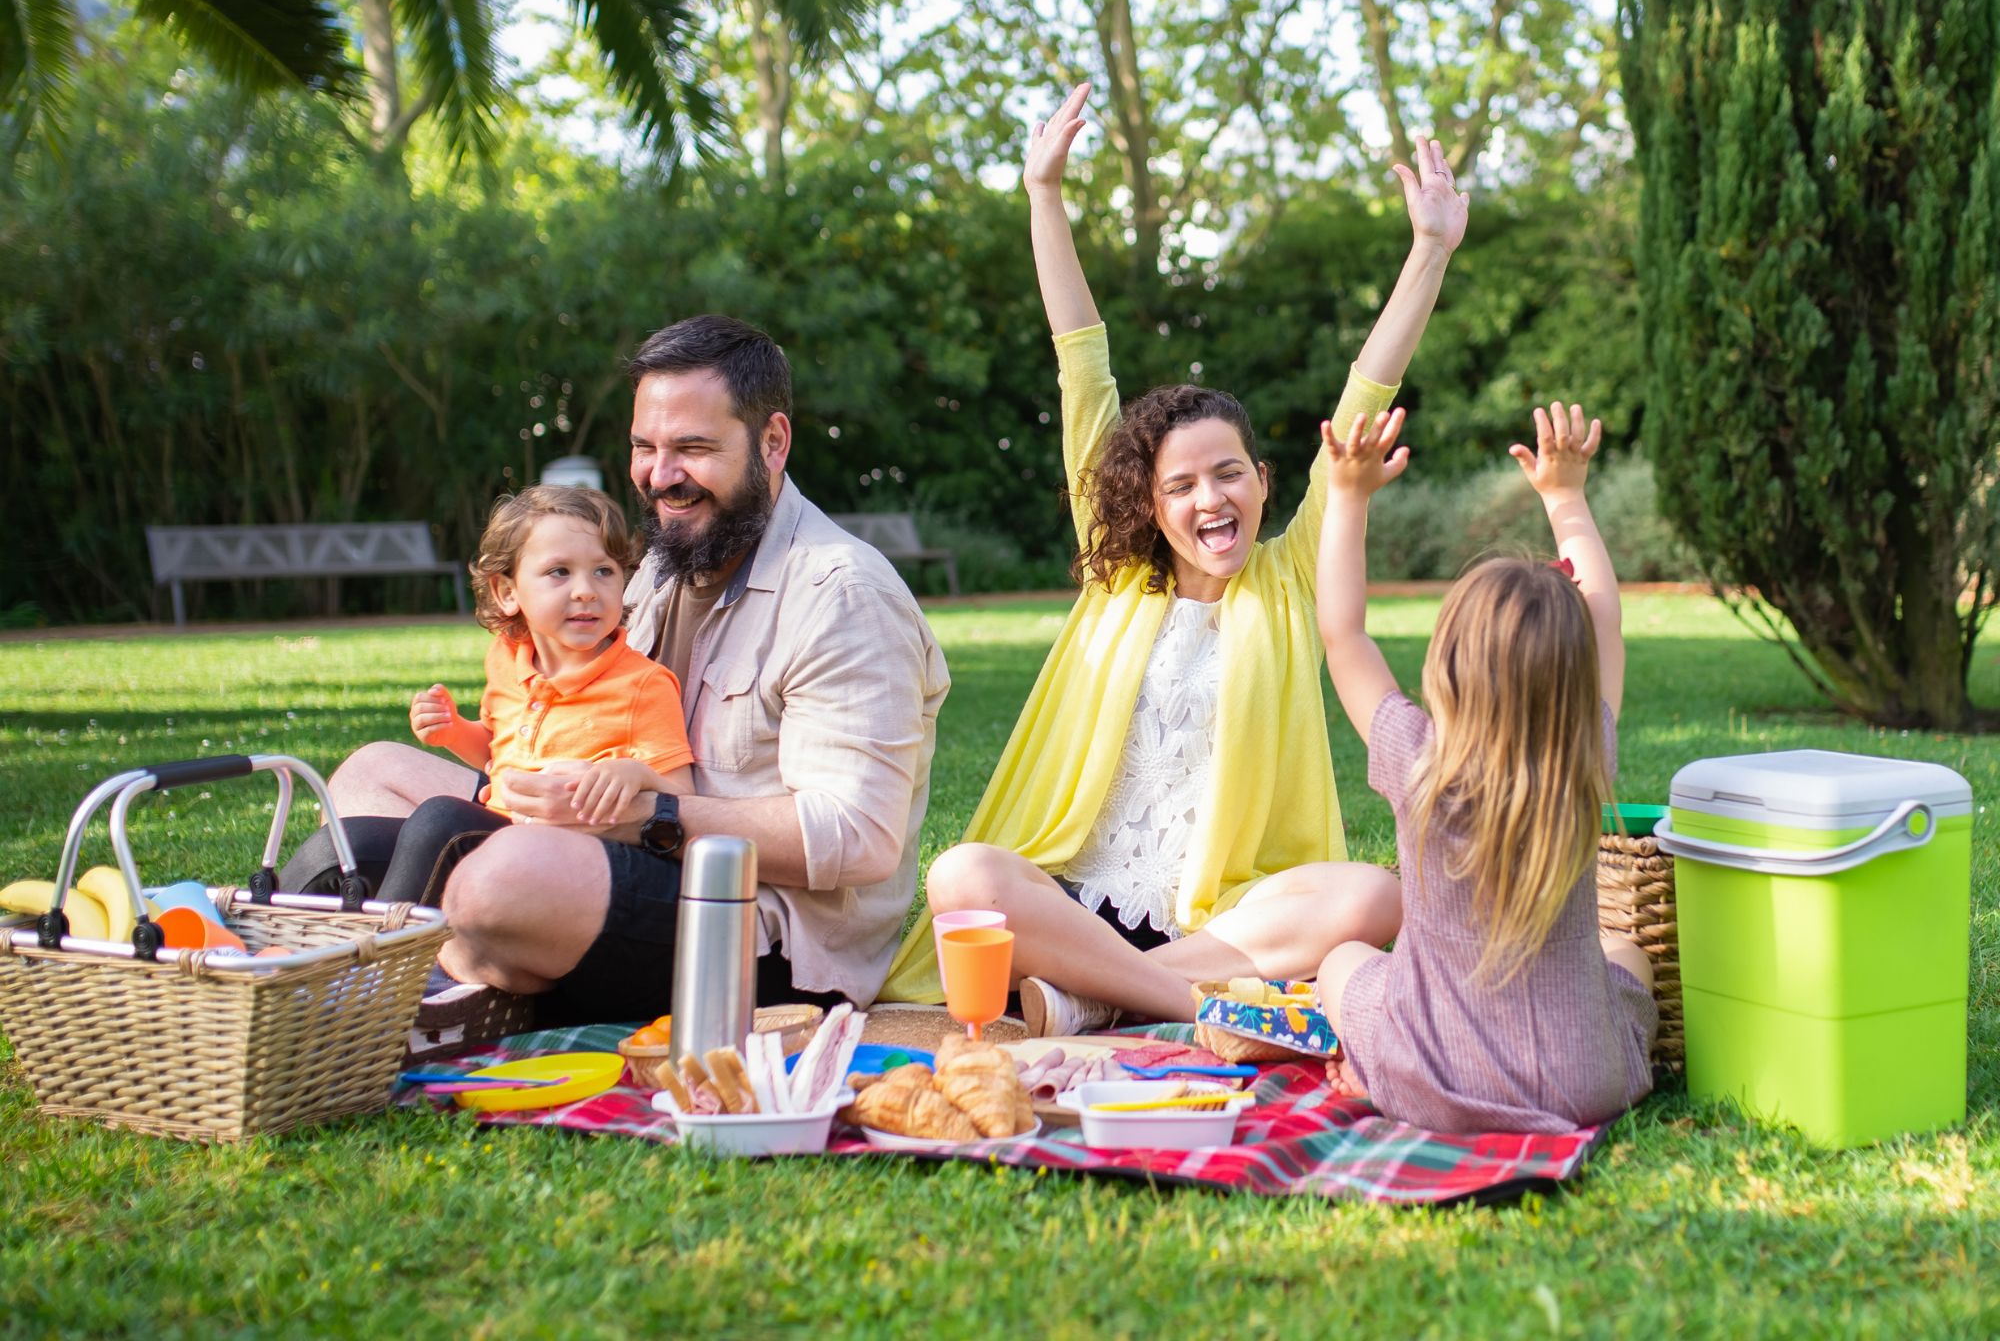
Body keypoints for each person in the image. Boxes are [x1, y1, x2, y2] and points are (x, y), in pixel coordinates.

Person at [880, 80, 1468, 1034]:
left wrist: (1429, 251)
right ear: (1147, 507)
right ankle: (1183, 1004)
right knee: (964, 875)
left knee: (1372, 897)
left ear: (1266, 482)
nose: (1210, 499)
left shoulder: (1289, 579)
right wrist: (1044, 195)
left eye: (1228, 475)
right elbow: (1082, 360)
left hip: (1222, 920)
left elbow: (1365, 396)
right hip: (1075, 899)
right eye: (1181, 486)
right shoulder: (1117, 573)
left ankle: (1086, 999)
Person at [291, 316, 949, 1033]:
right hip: (604, 840)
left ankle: (415, 990)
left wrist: (651, 817)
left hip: (758, 932)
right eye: (645, 447)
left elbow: (858, 838)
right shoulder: (664, 563)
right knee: (369, 776)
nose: (662, 476)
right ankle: (387, 965)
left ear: (772, 442)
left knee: (493, 881)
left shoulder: (841, 593)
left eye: (692, 448)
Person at [1310, 400, 1656, 1132]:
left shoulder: (1417, 759)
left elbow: (1342, 637)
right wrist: (1565, 497)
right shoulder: (1583, 752)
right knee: (1626, 950)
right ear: (1574, 676)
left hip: (1430, 1076)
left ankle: (1367, 1069)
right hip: (1582, 1082)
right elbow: (1605, 620)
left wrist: (1347, 497)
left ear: (1449, 665)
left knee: (1342, 961)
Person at [341, 483, 696, 911]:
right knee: (352, 840)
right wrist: (454, 732)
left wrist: (634, 775)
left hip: (569, 862)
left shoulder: (642, 685)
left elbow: (683, 793)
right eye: (560, 572)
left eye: (604, 570)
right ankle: (281, 947)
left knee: (441, 820)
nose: (586, 590)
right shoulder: (507, 659)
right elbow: (496, 752)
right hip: (499, 832)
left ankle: (379, 963)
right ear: (507, 592)